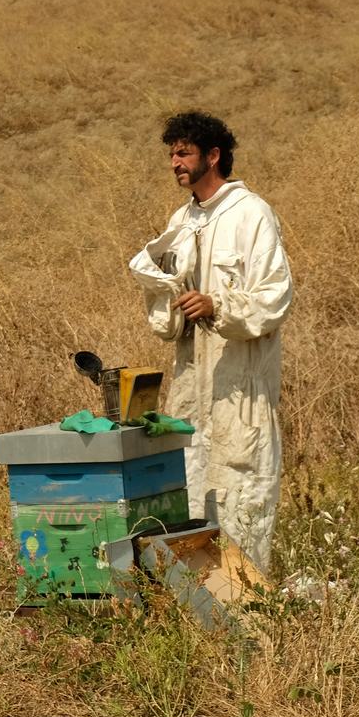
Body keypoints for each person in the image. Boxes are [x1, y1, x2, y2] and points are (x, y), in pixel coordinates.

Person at [129, 111, 293, 574]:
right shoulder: (181, 221)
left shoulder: (251, 215)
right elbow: (165, 322)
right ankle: (199, 622)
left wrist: (218, 306)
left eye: (183, 153)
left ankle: (250, 619)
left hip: (240, 395)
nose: (174, 163)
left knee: (243, 505)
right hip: (191, 395)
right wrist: (162, 290)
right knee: (190, 505)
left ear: (213, 155)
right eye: (171, 155)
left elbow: (274, 298)